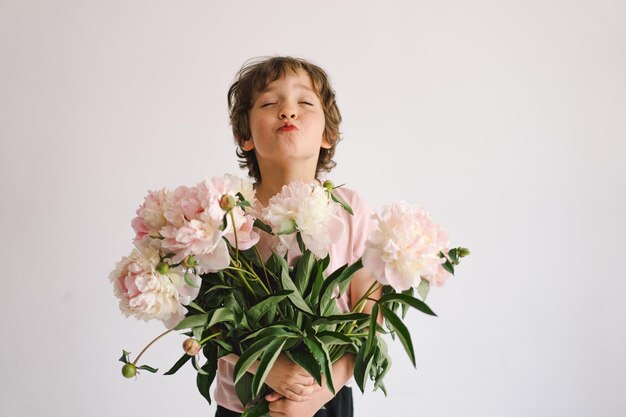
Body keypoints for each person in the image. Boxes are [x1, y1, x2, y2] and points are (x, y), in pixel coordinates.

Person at [214, 56, 380, 417]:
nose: (288, 111)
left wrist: (325, 384)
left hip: (327, 396)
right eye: (270, 103)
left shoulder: (350, 210)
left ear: (327, 134)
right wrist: (269, 367)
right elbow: (207, 314)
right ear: (244, 136)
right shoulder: (226, 211)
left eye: (304, 102)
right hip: (246, 402)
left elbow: (370, 314)